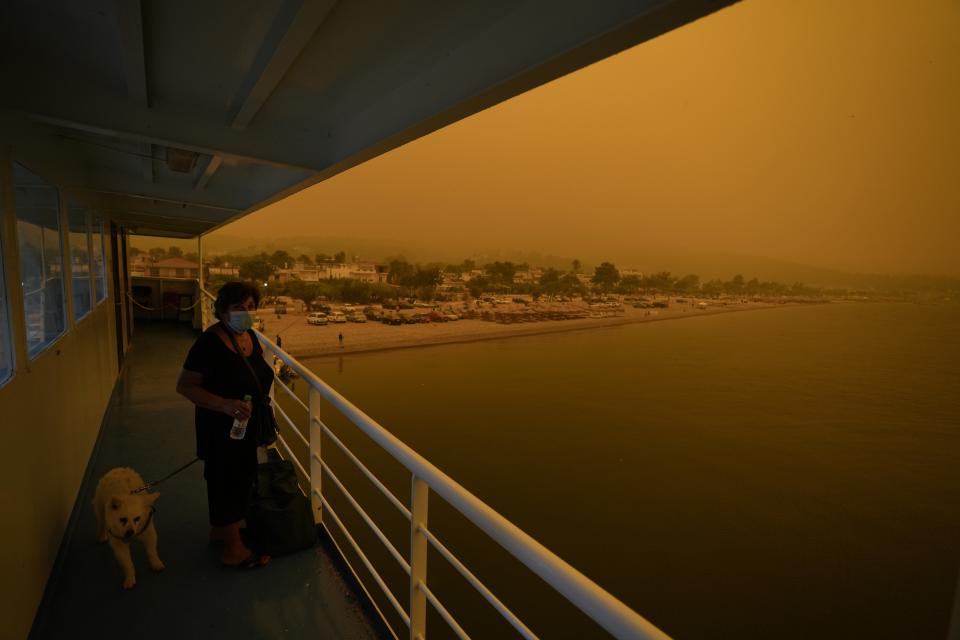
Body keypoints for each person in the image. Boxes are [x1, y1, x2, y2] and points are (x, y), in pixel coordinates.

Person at [175, 281, 272, 569]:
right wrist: (224, 404)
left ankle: (222, 531)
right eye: (238, 308)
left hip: (244, 427)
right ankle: (234, 552)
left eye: (250, 307)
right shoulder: (209, 343)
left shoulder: (250, 337)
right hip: (219, 426)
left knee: (241, 477)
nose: (246, 313)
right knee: (224, 480)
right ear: (222, 310)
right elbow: (185, 386)